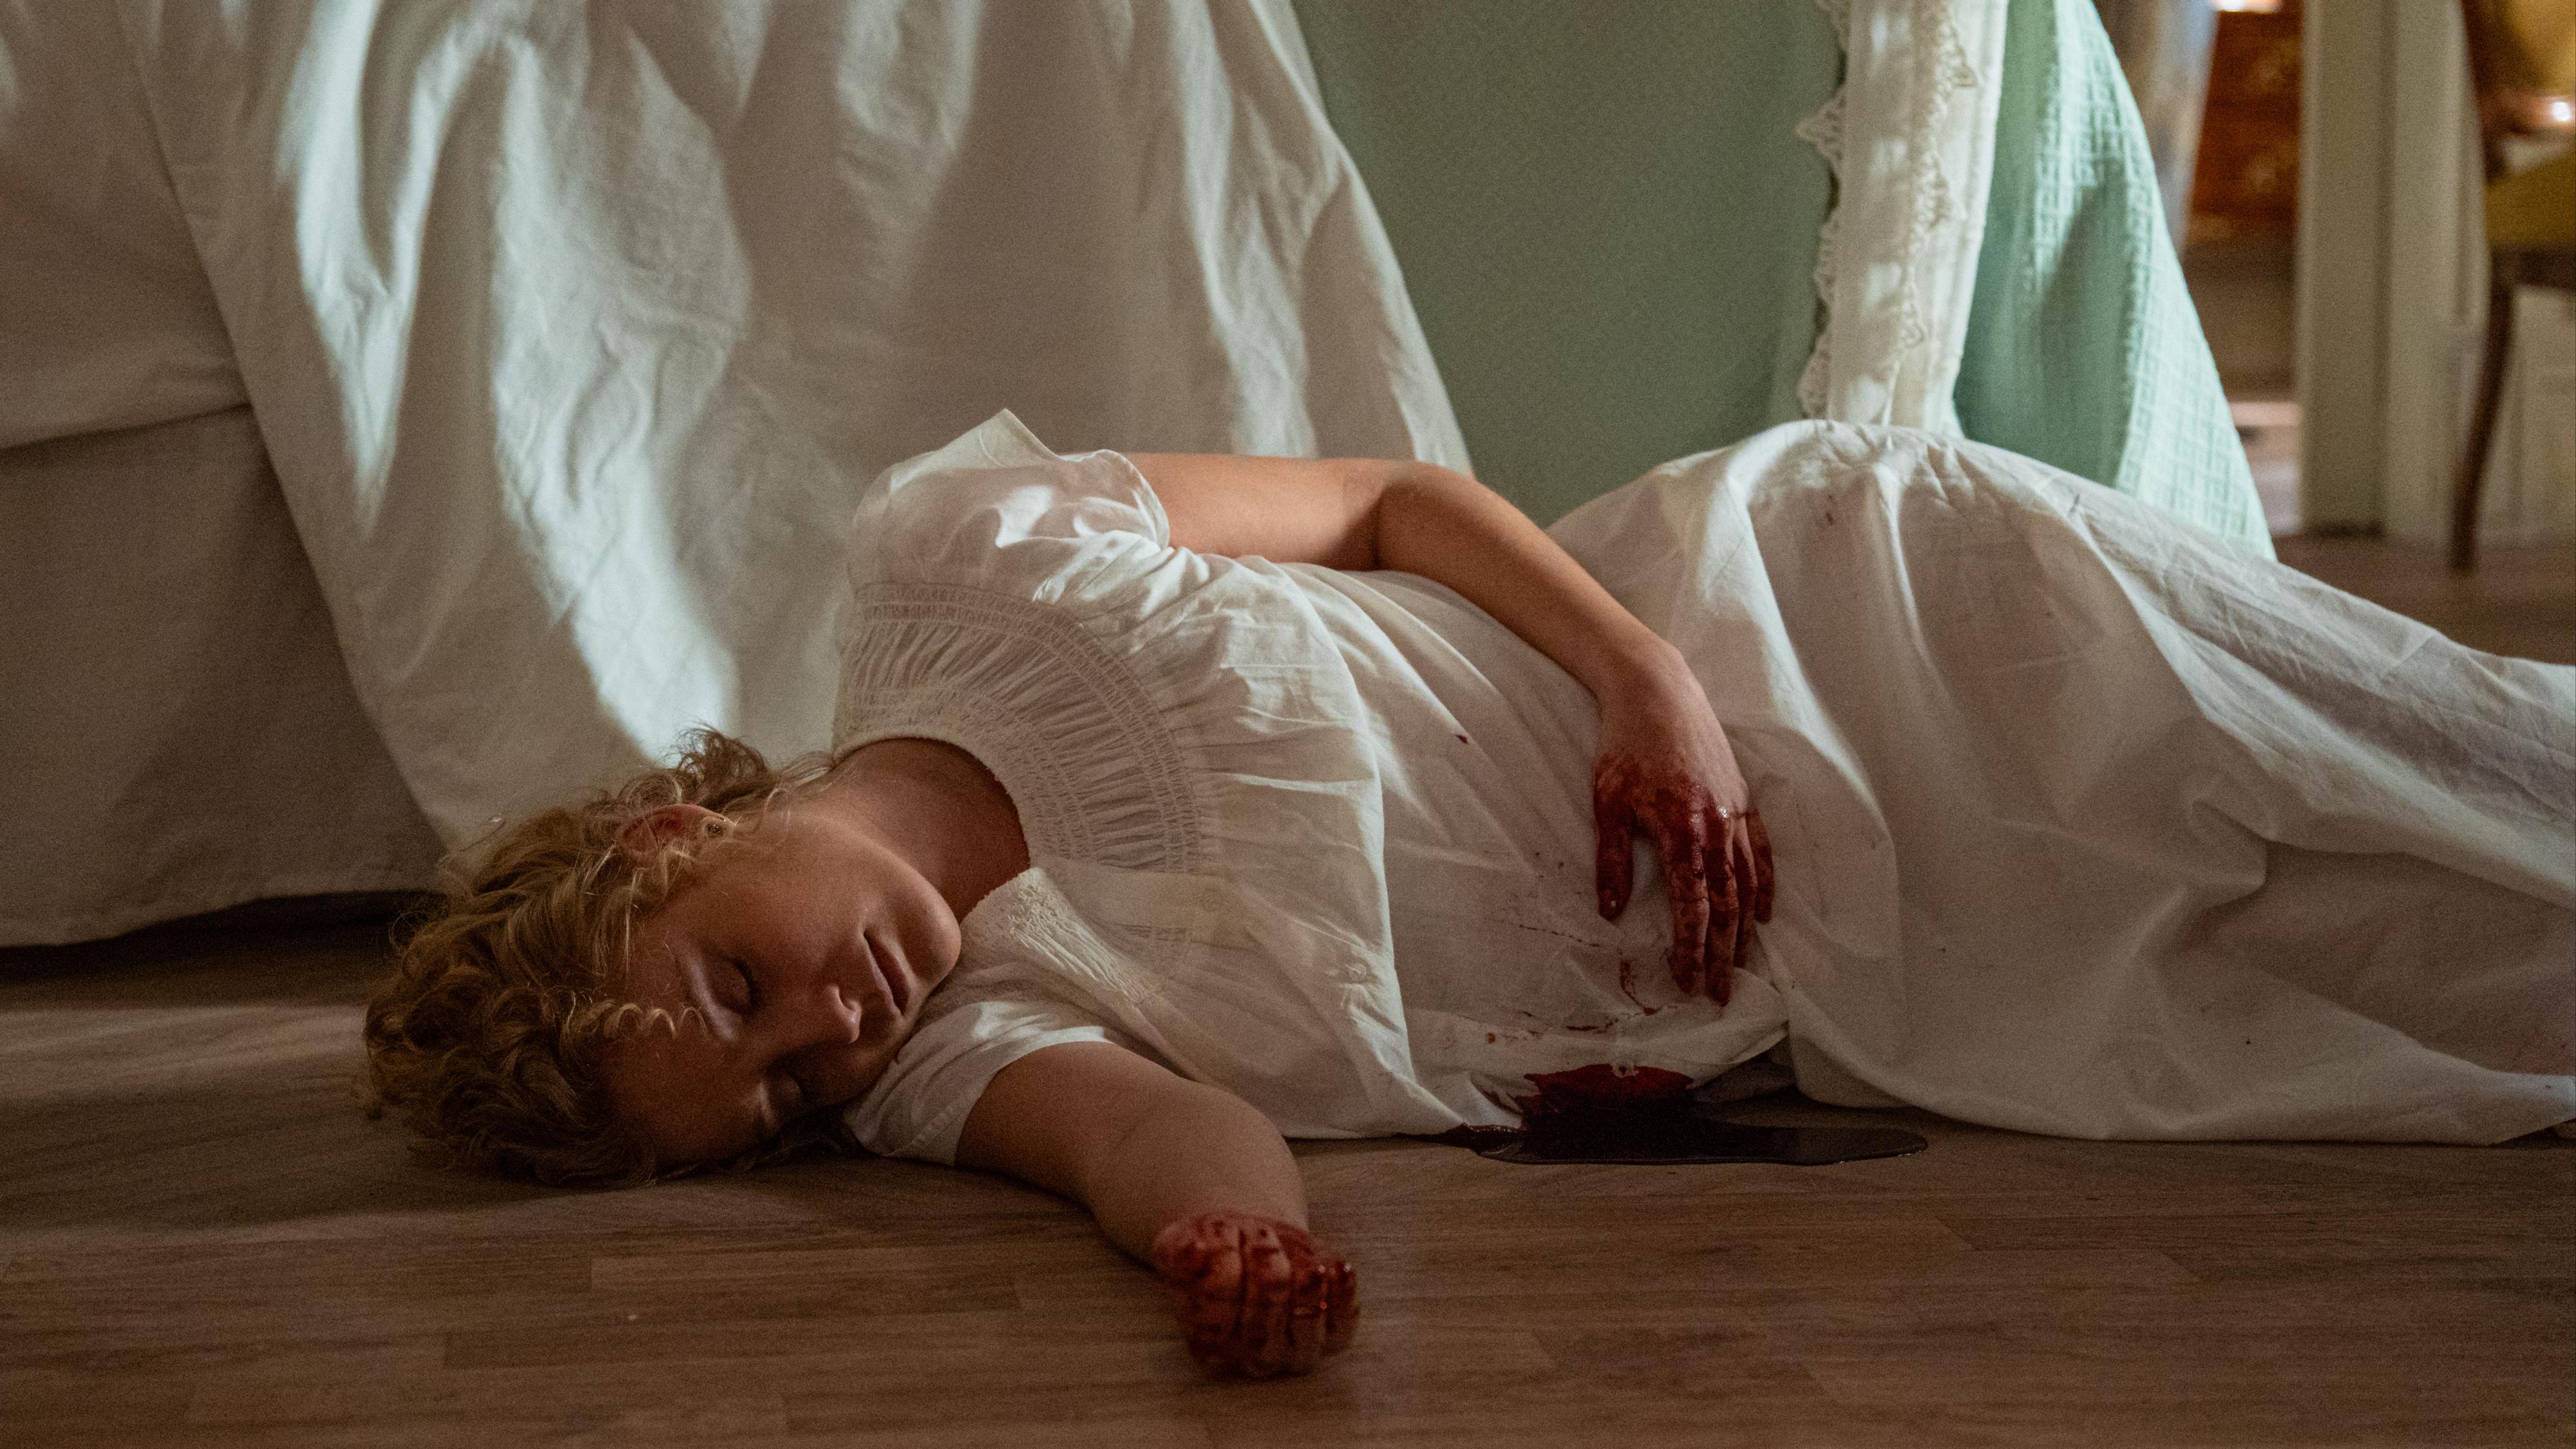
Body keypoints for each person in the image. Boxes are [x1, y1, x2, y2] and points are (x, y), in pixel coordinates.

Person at [365, 413, 2575, 1379]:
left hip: (1804, 618)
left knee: (2435, 757)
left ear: (663, 841)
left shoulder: (959, 558)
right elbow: (1154, 1136)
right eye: (777, 1096)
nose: (822, 1036)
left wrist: (1644, 679)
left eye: (732, 989)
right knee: (2438, 979)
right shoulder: (961, 1046)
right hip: (1857, 951)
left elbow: (1388, 499)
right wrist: (1239, 1243)